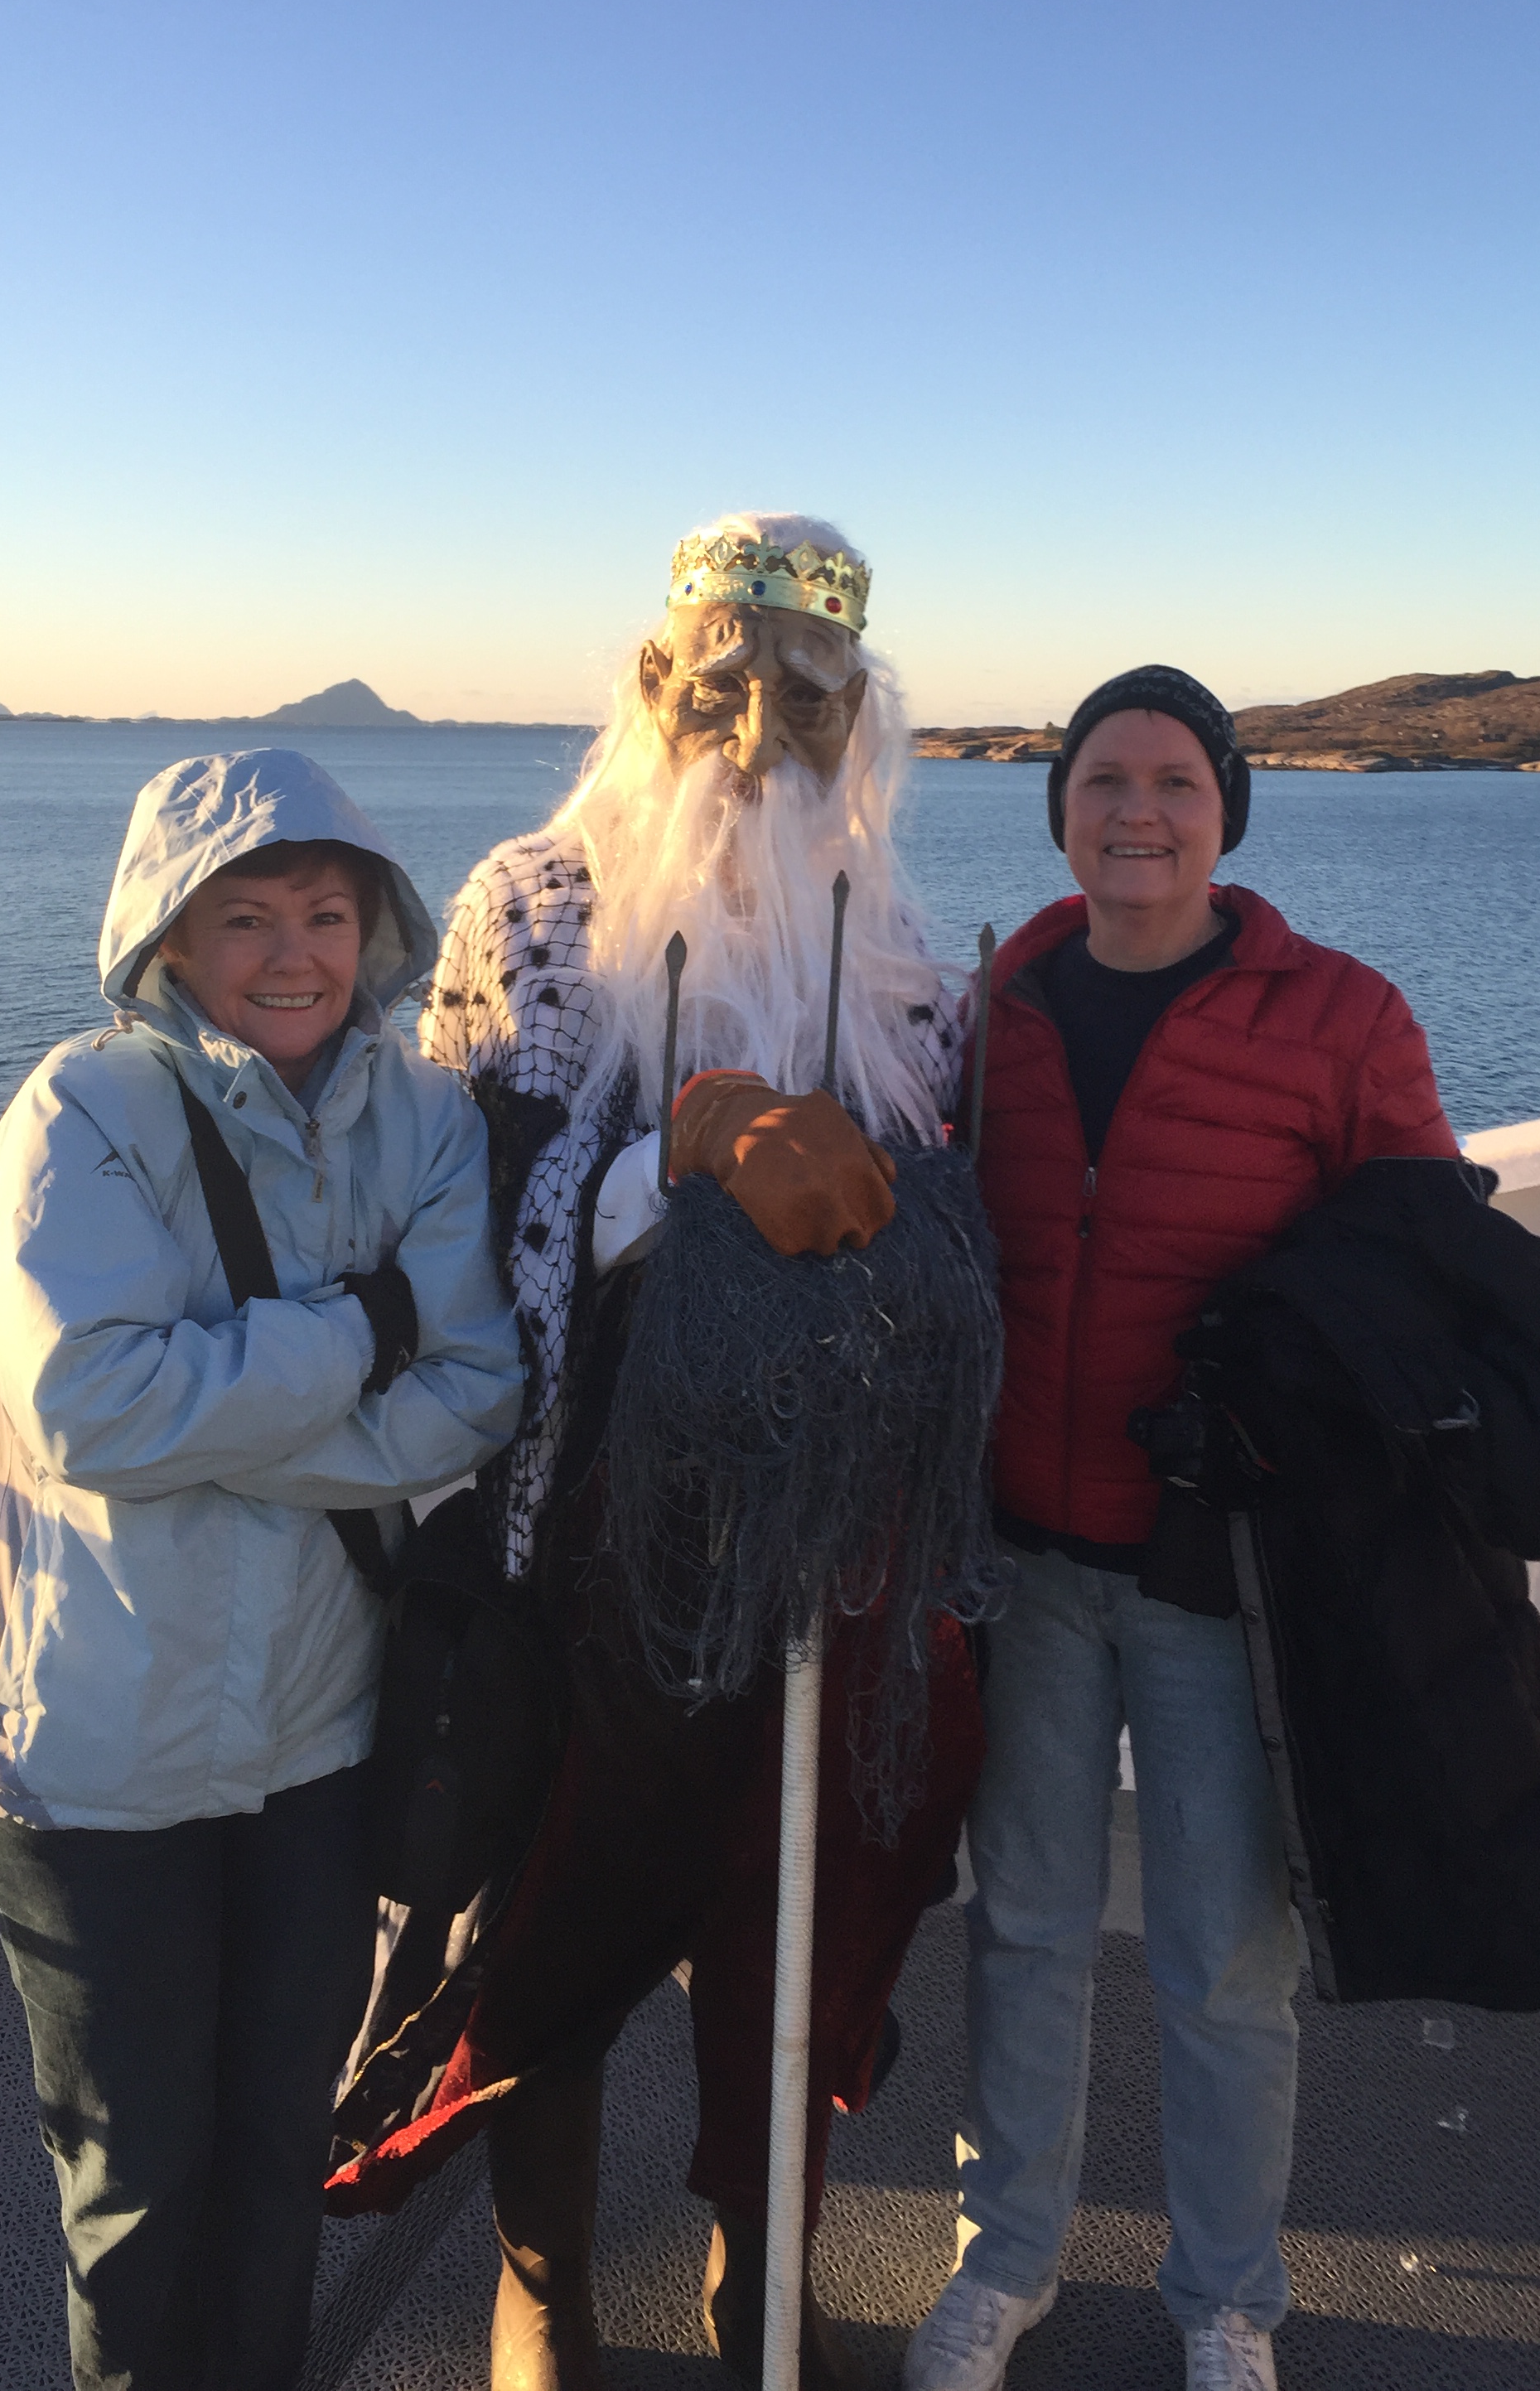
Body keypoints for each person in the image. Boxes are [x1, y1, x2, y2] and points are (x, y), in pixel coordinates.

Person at [325, 514, 995, 2391]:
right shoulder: (534, 906)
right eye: (723, 685)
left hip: (828, 1540)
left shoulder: (898, 949)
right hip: (589, 1525)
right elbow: (465, 1196)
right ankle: (543, 2278)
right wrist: (673, 1164)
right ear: (652, 685)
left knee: (793, 1914)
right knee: (548, 1909)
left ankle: (759, 2264)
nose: (759, 731)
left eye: (808, 697)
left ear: (861, 715)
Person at [0, 747, 524, 2391]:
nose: (293, 954)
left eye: (326, 914)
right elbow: (88, 1406)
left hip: (317, 1747)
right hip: (92, 1753)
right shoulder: (83, 1112)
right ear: (170, 937)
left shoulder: (422, 1116)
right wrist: (359, 1329)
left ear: (374, 929)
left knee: (278, 2155)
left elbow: (478, 1387)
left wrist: (220, 1419)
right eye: (246, 916)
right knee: (136, 2187)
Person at [904, 669, 1459, 2391]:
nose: (1136, 812)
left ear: (1227, 813)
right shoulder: (990, 1007)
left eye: (1174, 783)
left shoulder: (1340, 1016)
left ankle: (1227, 2301)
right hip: (1028, 1558)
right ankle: (1006, 2259)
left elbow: (1424, 1267)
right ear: (1059, 809)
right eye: (1103, 781)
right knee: (1026, 1926)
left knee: (1226, 1959)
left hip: (1222, 1576)